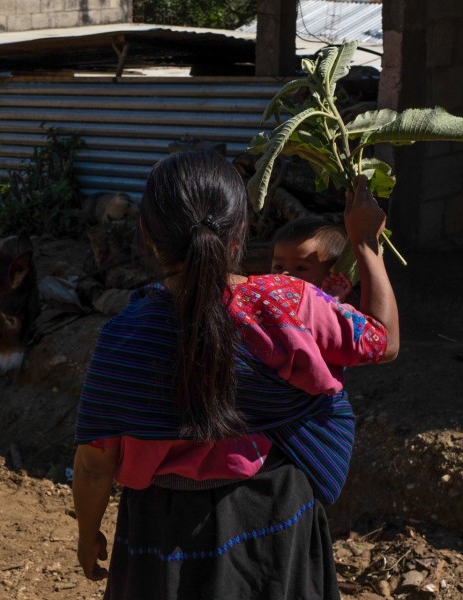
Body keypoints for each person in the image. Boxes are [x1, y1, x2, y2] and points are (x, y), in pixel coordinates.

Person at [72, 151, 399, 599]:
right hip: (275, 517)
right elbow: (383, 341)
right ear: (239, 233)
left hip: (161, 528)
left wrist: (87, 537)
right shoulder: (293, 303)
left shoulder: (124, 337)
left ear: (147, 235)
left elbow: (94, 465)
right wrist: (364, 244)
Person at [270, 215, 354, 303]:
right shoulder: (266, 299)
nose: (284, 274)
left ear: (331, 277)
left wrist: (331, 300)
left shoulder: (326, 306)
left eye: (300, 268)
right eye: (278, 267)